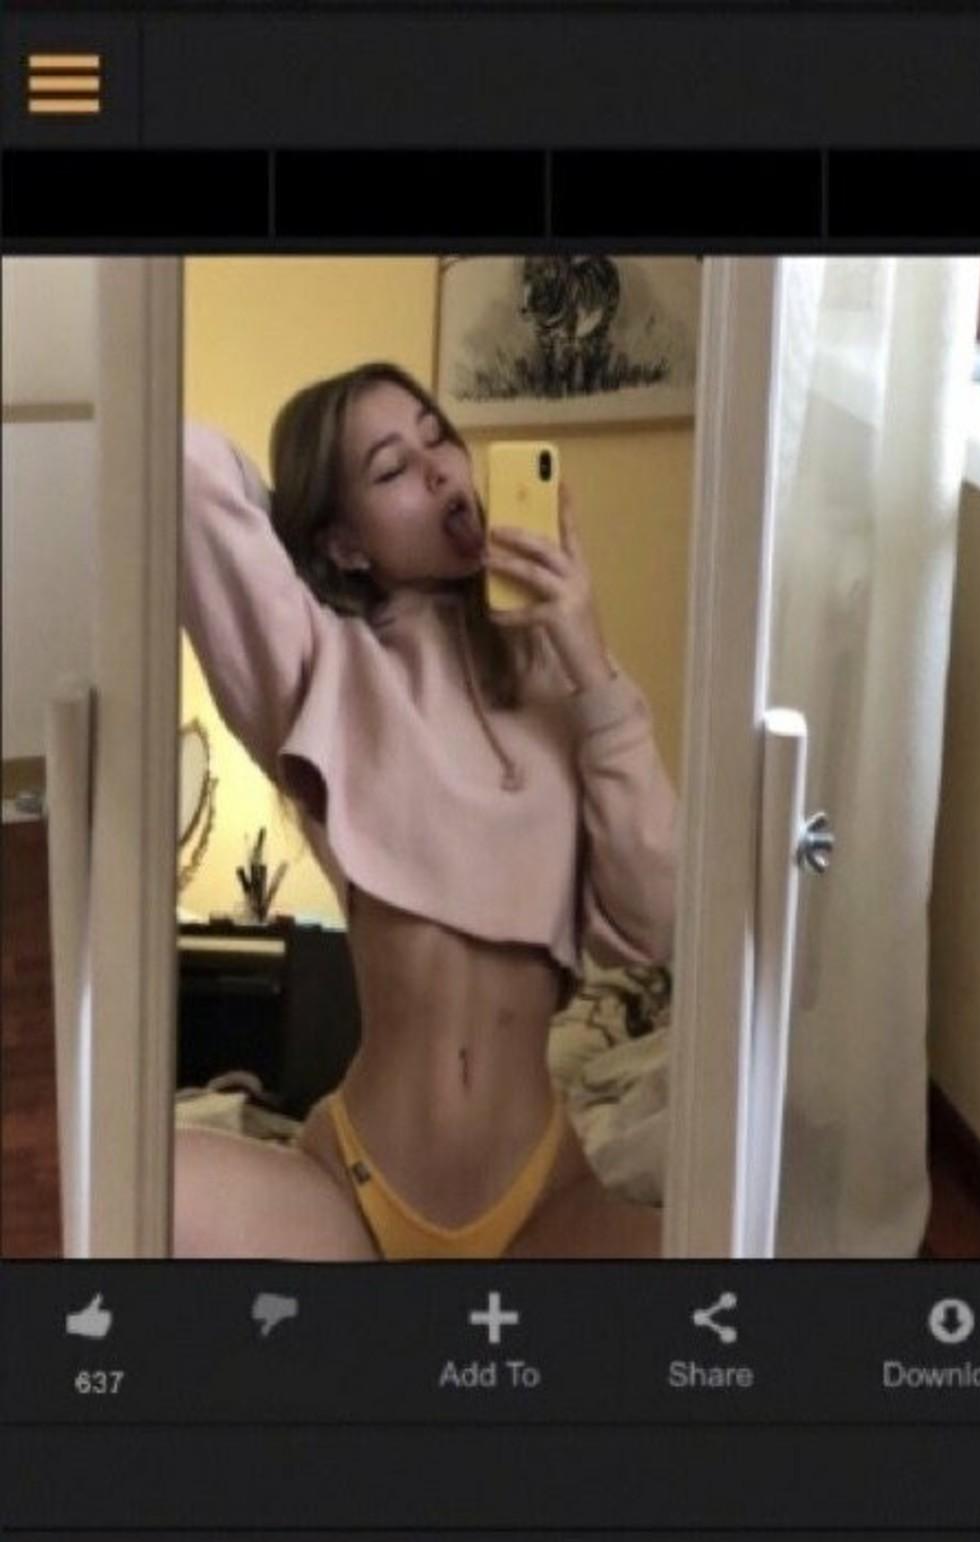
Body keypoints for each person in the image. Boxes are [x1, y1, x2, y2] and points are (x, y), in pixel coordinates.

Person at [175, 360, 678, 1259]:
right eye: (391, 467)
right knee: (128, 1176)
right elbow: (179, 469)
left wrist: (590, 660)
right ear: (346, 543)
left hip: (544, 1197)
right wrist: (297, 538)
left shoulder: (571, 687)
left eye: (438, 436)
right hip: (355, 1190)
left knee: (750, 1263)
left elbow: (662, 914)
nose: (440, 468)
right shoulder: (323, 668)